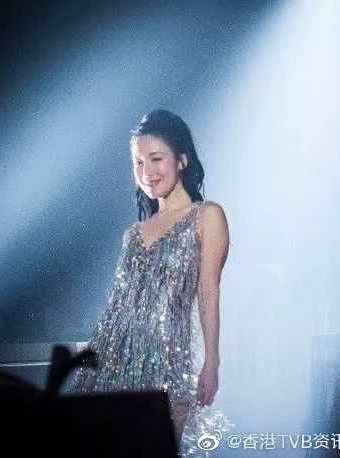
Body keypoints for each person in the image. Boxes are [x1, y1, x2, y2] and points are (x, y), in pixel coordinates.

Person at [72, 110, 232, 456]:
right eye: (138, 162)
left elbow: (208, 291)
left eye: (156, 159)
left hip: (169, 366)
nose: (147, 172)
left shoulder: (207, 216)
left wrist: (212, 362)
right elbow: (116, 307)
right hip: (112, 363)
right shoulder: (132, 234)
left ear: (182, 160)